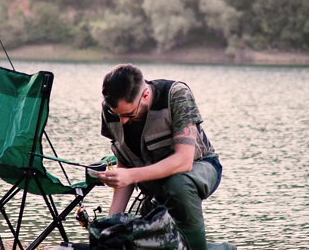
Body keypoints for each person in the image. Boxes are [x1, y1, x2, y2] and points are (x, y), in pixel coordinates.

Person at [97, 63, 236, 250]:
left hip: (200, 167)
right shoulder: (110, 108)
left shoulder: (176, 95)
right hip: (154, 184)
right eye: (118, 114)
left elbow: (184, 161)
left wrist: (131, 175)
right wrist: (111, 223)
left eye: (129, 114)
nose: (123, 121)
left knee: (178, 183)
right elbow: (125, 165)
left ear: (145, 94)